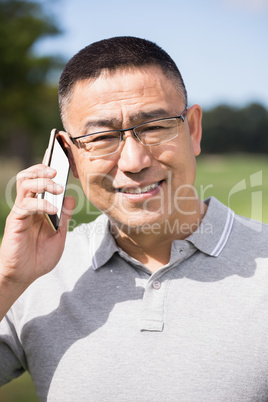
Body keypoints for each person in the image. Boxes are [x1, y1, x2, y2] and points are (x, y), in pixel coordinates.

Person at [0, 36, 267, 402]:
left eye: (156, 126)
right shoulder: (33, 276)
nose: (134, 161)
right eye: (102, 136)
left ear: (193, 130)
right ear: (71, 156)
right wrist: (8, 281)